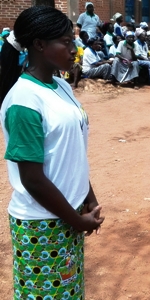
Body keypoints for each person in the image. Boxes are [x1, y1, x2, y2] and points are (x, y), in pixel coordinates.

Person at [0, 6, 104, 300]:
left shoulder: (59, 85)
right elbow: (32, 179)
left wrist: (88, 198)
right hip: (41, 224)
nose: (75, 49)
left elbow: (70, 152)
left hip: (66, 213)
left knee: (69, 292)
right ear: (39, 45)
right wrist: (75, 219)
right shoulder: (24, 101)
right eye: (66, 42)